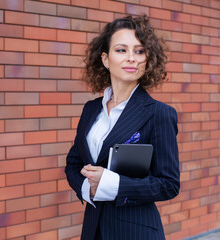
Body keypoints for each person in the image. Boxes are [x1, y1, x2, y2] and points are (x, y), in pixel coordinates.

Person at [65, 15, 180, 240]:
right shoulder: (90, 110)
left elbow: (168, 185)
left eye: (139, 51)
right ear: (106, 59)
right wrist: (87, 189)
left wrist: (112, 184)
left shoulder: (159, 114)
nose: (132, 58)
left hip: (136, 231)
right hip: (93, 229)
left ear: (148, 60)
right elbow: (73, 164)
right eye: (121, 50)